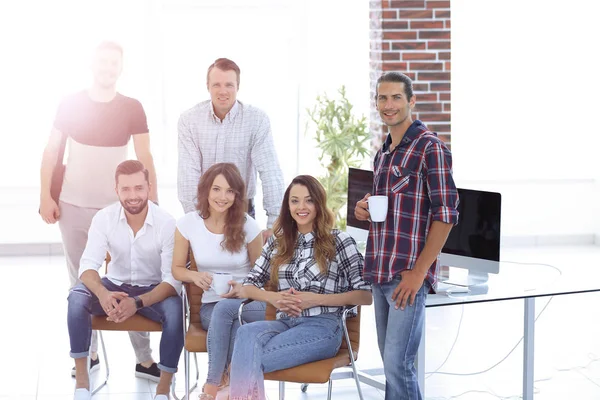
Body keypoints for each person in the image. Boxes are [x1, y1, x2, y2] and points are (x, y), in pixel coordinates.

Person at [39, 41, 161, 380]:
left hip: (119, 208)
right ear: (92, 65)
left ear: (120, 68)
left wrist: (153, 201)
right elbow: (51, 151)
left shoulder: (132, 107)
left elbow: (145, 157)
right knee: (81, 279)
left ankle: (144, 357)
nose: (107, 68)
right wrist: (44, 196)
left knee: (134, 277)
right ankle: (88, 353)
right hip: (73, 205)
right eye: (102, 62)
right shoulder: (70, 104)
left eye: (114, 63)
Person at [354, 72, 459, 400]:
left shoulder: (431, 148)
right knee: (391, 365)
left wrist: (418, 273)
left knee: (399, 366)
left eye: (396, 97)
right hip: (380, 271)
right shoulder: (383, 154)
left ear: (411, 101)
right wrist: (364, 210)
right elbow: (393, 213)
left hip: (407, 276)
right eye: (382, 98)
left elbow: (447, 214)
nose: (389, 105)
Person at [226, 175, 372, 399]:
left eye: (308, 200)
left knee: (245, 360)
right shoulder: (277, 242)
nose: (301, 207)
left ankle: (230, 393)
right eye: (295, 201)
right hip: (285, 323)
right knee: (246, 334)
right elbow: (248, 286)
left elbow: (365, 295)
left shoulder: (340, 241)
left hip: (322, 327)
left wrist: (314, 299)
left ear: (319, 204)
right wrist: (273, 298)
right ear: (288, 206)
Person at [67, 160, 183, 400]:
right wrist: (102, 293)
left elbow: (172, 281)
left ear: (149, 188)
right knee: (76, 297)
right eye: (126, 189)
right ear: (116, 189)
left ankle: (163, 390)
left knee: (176, 311)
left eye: (139, 188)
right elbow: (88, 266)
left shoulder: (167, 222)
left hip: (154, 289)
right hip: (114, 285)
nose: (133, 196)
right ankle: (82, 384)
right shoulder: (104, 218)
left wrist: (138, 302)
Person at [171, 163, 265, 400]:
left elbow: (263, 275)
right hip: (210, 305)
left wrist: (243, 290)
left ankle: (212, 387)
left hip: (249, 304)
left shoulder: (248, 225)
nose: (222, 197)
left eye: (230, 191)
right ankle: (231, 384)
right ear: (205, 190)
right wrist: (195, 275)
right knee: (232, 323)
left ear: (237, 195)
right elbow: (176, 269)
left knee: (232, 315)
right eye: (216, 189)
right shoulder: (188, 224)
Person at [177, 57, 284, 239]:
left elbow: (270, 171)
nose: (223, 91)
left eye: (229, 85)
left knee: (246, 266)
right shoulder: (189, 121)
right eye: (217, 85)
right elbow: (188, 174)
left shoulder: (256, 120)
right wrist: (195, 222)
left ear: (238, 87)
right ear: (207, 86)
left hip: (242, 210)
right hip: (203, 211)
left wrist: (274, 224)